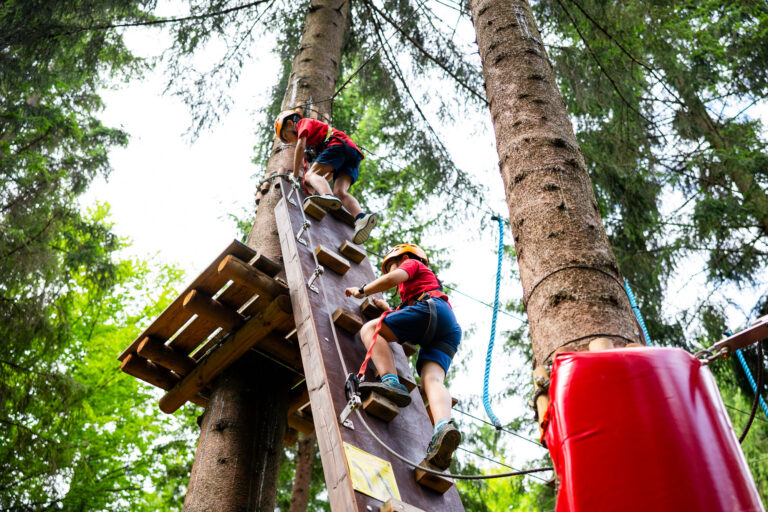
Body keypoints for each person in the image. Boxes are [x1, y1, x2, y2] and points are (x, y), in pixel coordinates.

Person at [345, 243, 462, 470]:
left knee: (370, 330)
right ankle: (442, 428)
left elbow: (394, 279)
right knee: (433, 380)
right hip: (447, 327)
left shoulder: (413, 263)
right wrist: (389, 308)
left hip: (431, 309)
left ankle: (390, 380)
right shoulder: (415, 293)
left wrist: (363, 290)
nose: (390, 271)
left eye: (391, 265)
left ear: (404, 258)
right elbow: (407, 316)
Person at [275, 109, 378, 244]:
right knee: (340, 192)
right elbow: (317, 175)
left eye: (287, 137)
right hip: (352, 154)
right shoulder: (314, 146)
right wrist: (311, 188)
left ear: (290, 123)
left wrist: (295, 175)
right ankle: (361, 217)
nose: (290, 141)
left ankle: (328, 196)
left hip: (338, 145)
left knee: (313, 174)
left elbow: (301, 148)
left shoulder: (303, 123)